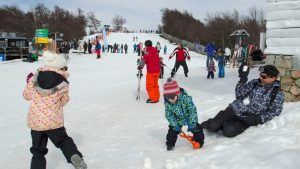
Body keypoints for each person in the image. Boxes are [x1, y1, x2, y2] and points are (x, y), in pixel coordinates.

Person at [23, 47, 87, 169]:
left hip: (36, 120)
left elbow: (26, 95)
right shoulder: (63, 82)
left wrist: (29, 85)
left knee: (38, 150)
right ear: (60, 68)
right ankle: (74, 156)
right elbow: (64, 101)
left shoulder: (35, 78)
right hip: (53, 120)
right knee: (63, 140)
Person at [200, 64, 284, 137]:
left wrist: (257, 119)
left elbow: (274, 112)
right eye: (260, 75)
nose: (261, 78)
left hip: (248, 117)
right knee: (212, 126)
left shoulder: (277, 93)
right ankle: (214, 123)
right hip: (235, 109)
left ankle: (222, 122)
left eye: (264, 76)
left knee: (229, 132)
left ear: (273, 78)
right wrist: (242, 79)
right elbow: (239, 95)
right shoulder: (255, 83)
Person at [163, 78, 205, 151]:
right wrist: (175, 125)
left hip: (189, 118)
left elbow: (192, 110)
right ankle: (170, 144)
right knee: (172, 131)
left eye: (172, 97)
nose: (170, 100)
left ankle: (199, 141)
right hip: (178, 119)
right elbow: (169, 115)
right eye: (168, 98)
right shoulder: (168, 103)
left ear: (177, 94)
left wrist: (192, 123)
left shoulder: (186, 99)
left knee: (197, 129)